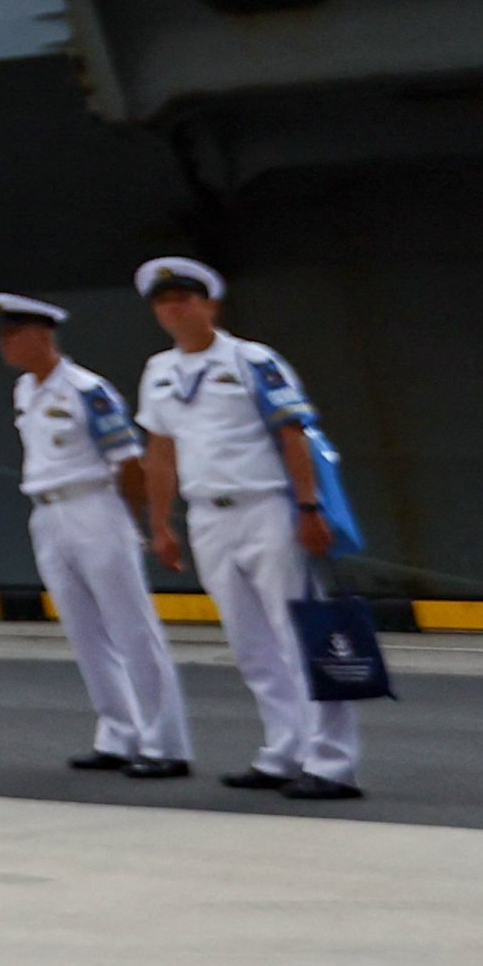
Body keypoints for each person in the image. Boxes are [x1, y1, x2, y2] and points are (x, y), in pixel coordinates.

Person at [134, 257, 362, 800]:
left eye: (186, 297)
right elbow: (160, 452)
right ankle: (284, 748)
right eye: (165, 301)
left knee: (300, 635)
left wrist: (308, 510)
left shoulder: (251, 359)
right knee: (250, 643)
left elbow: (294, 436)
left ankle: (332, 761)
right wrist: (161, 525)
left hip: (267, 508)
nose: (176, 307)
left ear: (209, 304)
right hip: (208, 515)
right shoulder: (158, 371)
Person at [0, 292, 190, 780]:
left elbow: (128, 460)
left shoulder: (86, 390)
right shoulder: (25, 391)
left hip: (94, 507)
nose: (5, 344)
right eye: (3, 335)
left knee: (131, 626)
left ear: (41, 334)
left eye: (14, 333)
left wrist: (129, 521)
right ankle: (119, 733)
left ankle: (166, 743)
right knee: (84, 630)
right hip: (48, 512)